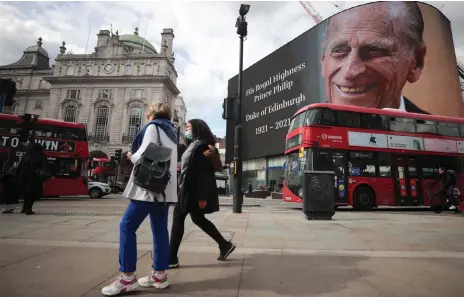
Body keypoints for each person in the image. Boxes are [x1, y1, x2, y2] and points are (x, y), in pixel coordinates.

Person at [101, 103, 178, 296]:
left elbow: (144, 156)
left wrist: (131, 155)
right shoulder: (172, 132)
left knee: (127, 226)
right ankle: (159, 276)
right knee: (160, 229)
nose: (146, 116)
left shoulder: (153, 128)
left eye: (147, 113)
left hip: (148, 188)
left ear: (152, 114)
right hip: (164, 189)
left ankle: (127, 278)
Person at [320, 1, 428, 113]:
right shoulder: (303, 126)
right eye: (339, 51)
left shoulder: (440, 130)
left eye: (373, 51)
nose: (350, 72)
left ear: (416, 62)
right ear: (323, 59)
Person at [169, 119, 236, 269]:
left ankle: (171, 257)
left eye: (188, 127)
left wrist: (201, 196)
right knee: (198, 218)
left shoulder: (200, 146)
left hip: (190, 190)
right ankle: (224, 245)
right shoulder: (194, 144)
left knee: (178, 218)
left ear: (197, 129)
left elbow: (203, 173)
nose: (186, 129)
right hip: (187, 188)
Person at [15, 143, 48, 215]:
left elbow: (19, 167)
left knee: (26, 194)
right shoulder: (41, 156)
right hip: (34, 177)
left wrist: (18, 176)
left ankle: (24, 208)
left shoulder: (26, 155)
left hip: (24, 178)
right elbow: (44, 168)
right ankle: (29, 209)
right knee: (34, 194)